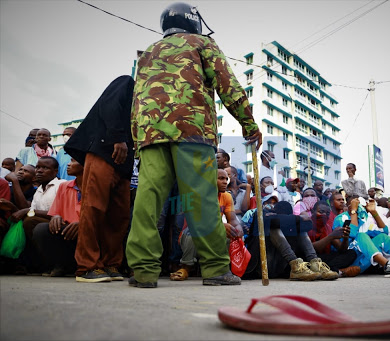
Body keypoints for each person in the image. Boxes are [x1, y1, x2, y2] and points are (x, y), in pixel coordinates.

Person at [127, 2, 262, 288]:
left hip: (151, 133)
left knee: (147, 200)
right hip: (193, 130)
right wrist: (248, 124)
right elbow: (228, 84)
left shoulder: (149, 51)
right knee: (200, 200)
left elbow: (136, 98)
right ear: (193, 22)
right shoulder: (202, 43)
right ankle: (215, 269)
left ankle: (143, 271)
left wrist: (138, 139)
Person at [65, 75, 135, 283]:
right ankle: (87, 267)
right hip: (106, 150)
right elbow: (109, 105)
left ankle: (111, 263)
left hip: (124, 161)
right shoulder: (127, 82)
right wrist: (117, 137)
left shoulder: (151, 98)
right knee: (94, 208)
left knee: (119, 216)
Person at [171, 169, 244, 281]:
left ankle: (222, 269)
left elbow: (233, 219)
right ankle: (186, 267)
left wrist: (238, 229)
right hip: (193, 233)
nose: (225, 182)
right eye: (220, 178)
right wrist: (220, 226)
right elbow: (195, 221)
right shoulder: (197, 195)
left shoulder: (226, 196)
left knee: (231, 234)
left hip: (213, 234)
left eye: (226, 179)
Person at [32, 158, 84, 277]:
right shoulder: (64, 186)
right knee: (41, 229)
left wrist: (82, 223)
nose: (68, 164)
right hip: (67, 230)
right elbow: (56, 210)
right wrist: (56, 215)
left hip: (88, 230)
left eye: (74, 161)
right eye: (69, 160)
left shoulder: (94, 186)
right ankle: (60, 265)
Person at [308, 201, 359, 277]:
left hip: (323, 258)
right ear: (312, 212)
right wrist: (331, 236)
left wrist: (345, 238)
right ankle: (338, 272)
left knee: (351, 253)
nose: (324, 215)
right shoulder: (307, 224)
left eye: (327, 213)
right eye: (321, 212)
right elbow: (310, 249)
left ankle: (328, 270)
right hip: (309, 258)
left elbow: (342, 249)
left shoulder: (327, 227)